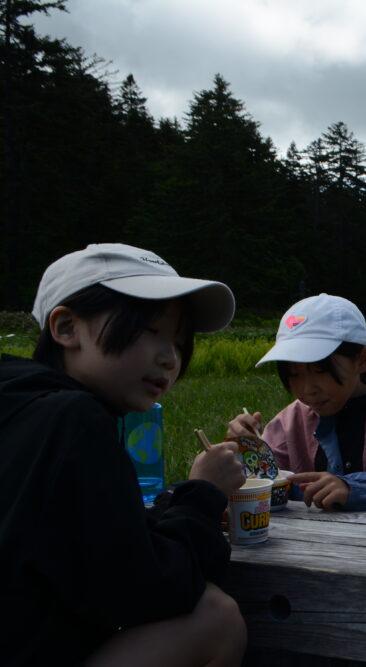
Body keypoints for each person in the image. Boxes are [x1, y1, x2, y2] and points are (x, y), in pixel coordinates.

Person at [0, 243, 247, 666]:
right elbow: (143, 591)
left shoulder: (21, 404)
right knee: (216, 616)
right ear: (66, 328)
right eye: (150, 329)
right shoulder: (73, 418)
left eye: (179, 341)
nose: (169, 358)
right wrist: (204, 493)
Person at [228, 293, 366, 511]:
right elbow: (266, 487)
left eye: (320, 370)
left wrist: (358, 491)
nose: (308, 390)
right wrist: (246, 451)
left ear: (363, 359)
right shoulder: (290, 422)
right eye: (294, 374)